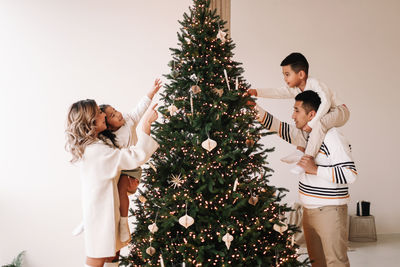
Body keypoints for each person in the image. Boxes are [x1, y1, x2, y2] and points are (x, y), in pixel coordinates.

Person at [254, 90, 357, 267]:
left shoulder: (332, 137)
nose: (292, 115)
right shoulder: (306, 136)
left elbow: (350, 173)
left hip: (330, 212)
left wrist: (315, 169)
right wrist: (253, 107)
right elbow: (278, 127)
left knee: (336, 263)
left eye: (296, 110)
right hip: (309, 211)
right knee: (317, 262)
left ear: (311, 114)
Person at [65, 99, 159, 267]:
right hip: (101, 215)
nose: (103, 115)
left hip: (108, 209)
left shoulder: (99, 144)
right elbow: (135, 156)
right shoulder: (96, 151)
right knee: (98, 258)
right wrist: (145, 125)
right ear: (91, 122)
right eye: (99, 113)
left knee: (112, 256)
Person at [248, 52, 350, 174]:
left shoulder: (314, 84)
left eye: (287, 74)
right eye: (284, 75)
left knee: (319, 123)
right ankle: (300, 150)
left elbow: (326, 102)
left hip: (339, 110)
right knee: (307, 123)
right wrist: (256, 92)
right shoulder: (297, 89)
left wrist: (312, 124)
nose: (285, 79)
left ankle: (306, 160)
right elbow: (278, 92)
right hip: (323, 112)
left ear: (301, 74)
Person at [100, 78, 162, 243]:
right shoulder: (107, 140)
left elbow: (140, 108)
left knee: (121, 189)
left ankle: (124, 222)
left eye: (115, 110)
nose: (118, 114)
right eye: (112, 115)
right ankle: (105, 221)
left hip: (133, 166)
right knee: (111, 192)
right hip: (119, 169)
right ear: (107, 125)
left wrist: (152, 92)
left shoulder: (128, 121)